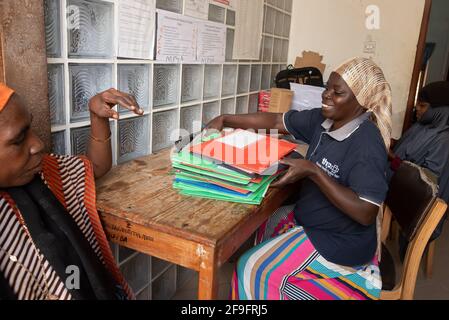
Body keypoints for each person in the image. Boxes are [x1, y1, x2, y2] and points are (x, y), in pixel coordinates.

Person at [206, 57, 392, 300]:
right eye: (327, 88)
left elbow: (365, 211)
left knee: (250, 266)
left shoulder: (366, 143)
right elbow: (274, 121)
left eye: (337, 93)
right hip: (315, 222)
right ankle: (267, 290)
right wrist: (226, 119)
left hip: (342, 242)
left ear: (361, 103)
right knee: (266, 222)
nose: (326, 95)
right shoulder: (325, 121)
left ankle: (263, 283)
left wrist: (313, 171)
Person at [0, 83, 143, 300]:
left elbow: (95, 166)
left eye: (30, 128)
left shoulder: (43, 173)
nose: (38, 144)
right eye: (19, 140)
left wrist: (97, 118)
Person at [389, 81, 449, 253]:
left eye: (422, 106)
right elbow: (406, 149)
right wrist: (391, 143)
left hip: (418, 199)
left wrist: (392, 158)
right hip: (399, 183)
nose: (417, 109)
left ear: (440, 110)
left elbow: (426, 180)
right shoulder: (422, 127)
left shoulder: (444, 141)